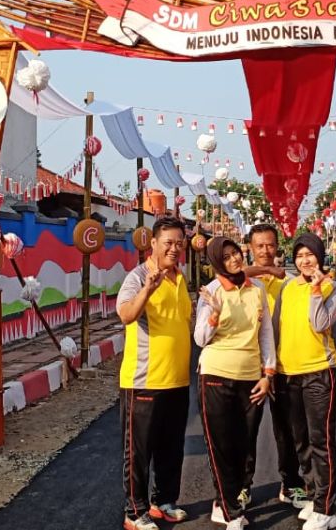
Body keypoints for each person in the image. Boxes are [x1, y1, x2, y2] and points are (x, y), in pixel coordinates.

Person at [117, 215, 193, 530]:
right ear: (154, 243)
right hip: (144, 380)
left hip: (178, 379)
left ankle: (164, 500)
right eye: (168, 243)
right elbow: (125, 314)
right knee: (138, 451)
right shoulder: (137, 276)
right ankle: (135, 512)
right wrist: (147, 290)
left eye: (179, 243)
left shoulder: (181, 277)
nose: (174, 249)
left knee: (171, 446)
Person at [194, 237, 276, 530]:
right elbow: (200, 338)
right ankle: (229, 510)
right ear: (217, 262)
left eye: (236, 254)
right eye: (226, 257)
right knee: (221, 444)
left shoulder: (259, 289)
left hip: (251, 378)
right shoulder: (213, 290)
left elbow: (265, 333)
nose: (234, 260)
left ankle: (227, 499)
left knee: (244, 443)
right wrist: (214, 315)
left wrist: (268, 374)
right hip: (215, 375)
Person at [273, 233, 336, 530]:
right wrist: (272, 367)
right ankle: (313, 493)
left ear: (320, 256)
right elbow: (277, 326)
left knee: (321, 440)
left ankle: (326, 508)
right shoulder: (288, 287)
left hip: (321, 372)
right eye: (300, 255)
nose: (305, 261)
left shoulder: (335, 289)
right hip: (288, 374)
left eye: (311, 255)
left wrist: (316, 291)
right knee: (299, 439)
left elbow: (320, 324)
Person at [240, 224, 308, 511]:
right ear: (250, 250)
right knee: (246, 430)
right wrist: (267, 272)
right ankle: (242, 487)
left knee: (289, 429)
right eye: (260, 246)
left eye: (270, 245)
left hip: (283, 366)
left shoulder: (290, 282)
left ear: (277, 247)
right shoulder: (243, 281)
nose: (266, 251)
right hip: (249, 368)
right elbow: (234, 273)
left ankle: (291, 483)